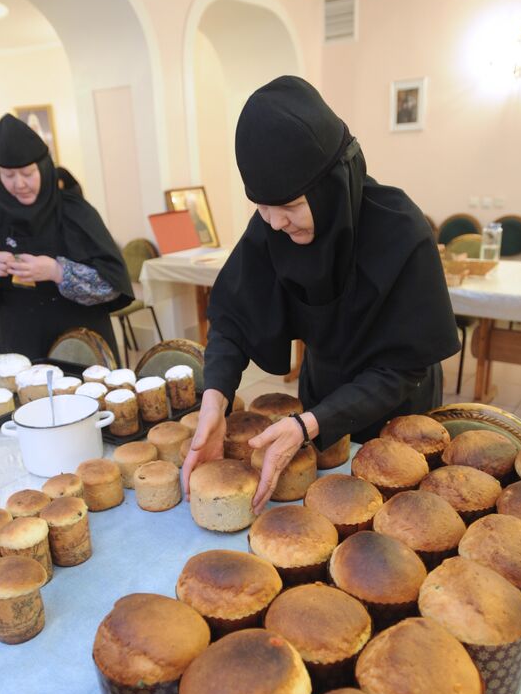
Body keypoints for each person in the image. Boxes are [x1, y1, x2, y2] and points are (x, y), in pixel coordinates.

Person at [182, 76, 460, 512]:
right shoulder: (272, 226)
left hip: (397, 407)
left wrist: (309, 423)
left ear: (331, 185)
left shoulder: (401, 231)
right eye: (261, 206)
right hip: (321, 393)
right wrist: (214, 398)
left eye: (289, 206)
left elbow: (403, 367)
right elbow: (234, 319)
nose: (274, 223)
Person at [0, 114, 133, 359]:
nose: (19, 184)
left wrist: (57, 272)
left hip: (81, 349)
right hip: (21, 349)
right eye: (8, 175)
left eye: (27, 173)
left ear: (45, 168)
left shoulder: (77, 212)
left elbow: (112, 285)